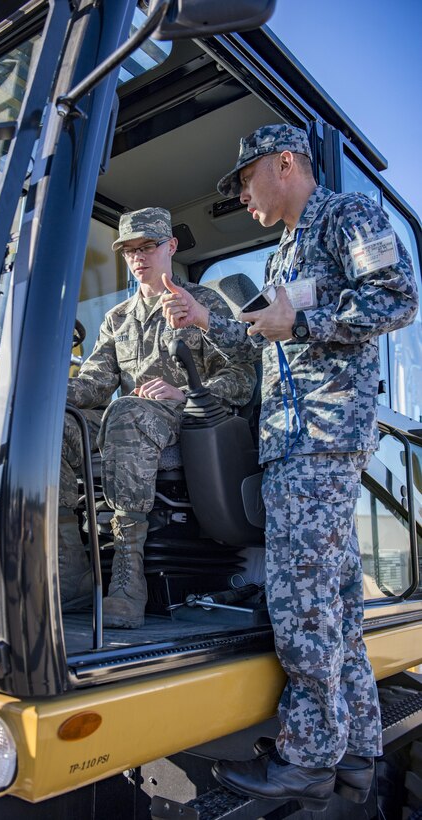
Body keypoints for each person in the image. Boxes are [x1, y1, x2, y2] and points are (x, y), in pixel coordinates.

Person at [161, 124, 419, 810]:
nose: (242, 196)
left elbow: (397, 297)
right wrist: (204, 323)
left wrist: (300, 325)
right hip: (294, 438)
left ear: (284, 163)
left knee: (299, 602)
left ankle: (304, 759)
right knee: (334, 609)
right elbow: (263, 338)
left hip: (321, 435)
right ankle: (356, 751)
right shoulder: (283, 254)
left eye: (245, 181)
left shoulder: (345, 215)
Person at [59, 207, 256, 629]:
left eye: (147, 246)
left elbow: (241, 377)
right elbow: (94, 383)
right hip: (130, 422)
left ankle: (128, 581)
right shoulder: (116, 318)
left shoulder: (201, 303)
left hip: (188, 423)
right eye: (129, 250)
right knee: (55, 422)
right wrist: (49, 392)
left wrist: (183, 392)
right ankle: (69, 571)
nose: (137, 257)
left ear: (170, 246)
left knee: (127, 410)